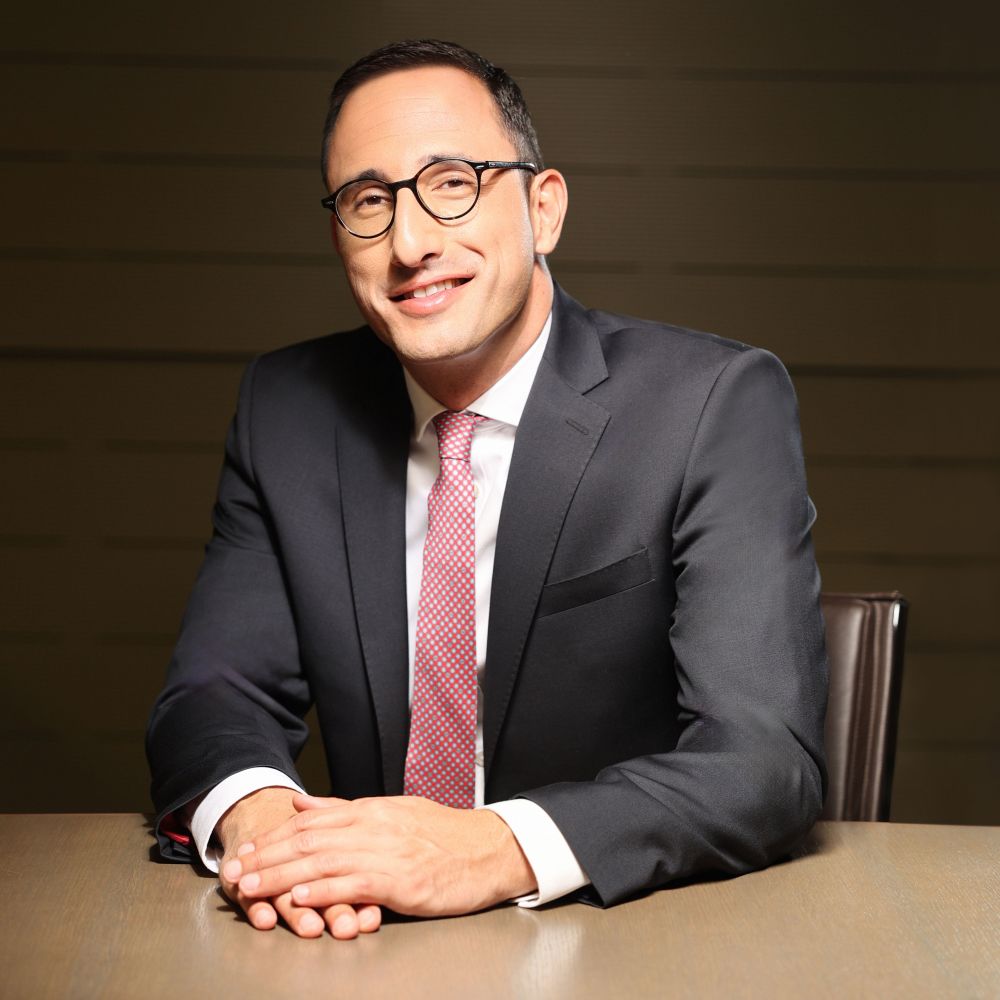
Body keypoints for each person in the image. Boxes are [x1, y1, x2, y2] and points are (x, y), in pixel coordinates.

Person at [146, 39, 827, 941]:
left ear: (544, 210)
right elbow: (213, 695)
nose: (411, 243)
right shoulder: (288, 411)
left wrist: (487, 850)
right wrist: (273, 837)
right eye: (369, 201)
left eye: (454, 183)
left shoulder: (712, 404)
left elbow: (762, 762)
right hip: (359, 943)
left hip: (629, 944)